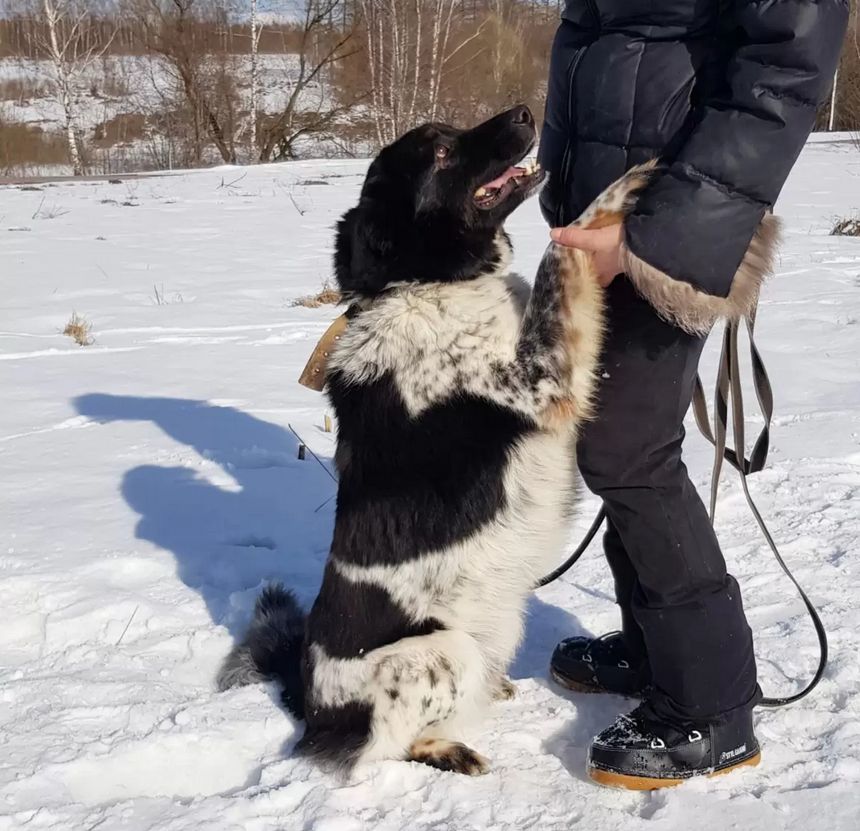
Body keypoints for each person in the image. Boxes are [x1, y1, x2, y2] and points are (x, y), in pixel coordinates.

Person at [537, 0, 848, 790]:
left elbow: (786, 62)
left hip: (671, 206)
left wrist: (653, 230)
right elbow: (593, 31)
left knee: (628, 448)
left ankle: (713, 707)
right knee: (611, 436)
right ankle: (656, 652)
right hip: (606, 201)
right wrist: (569, 178)